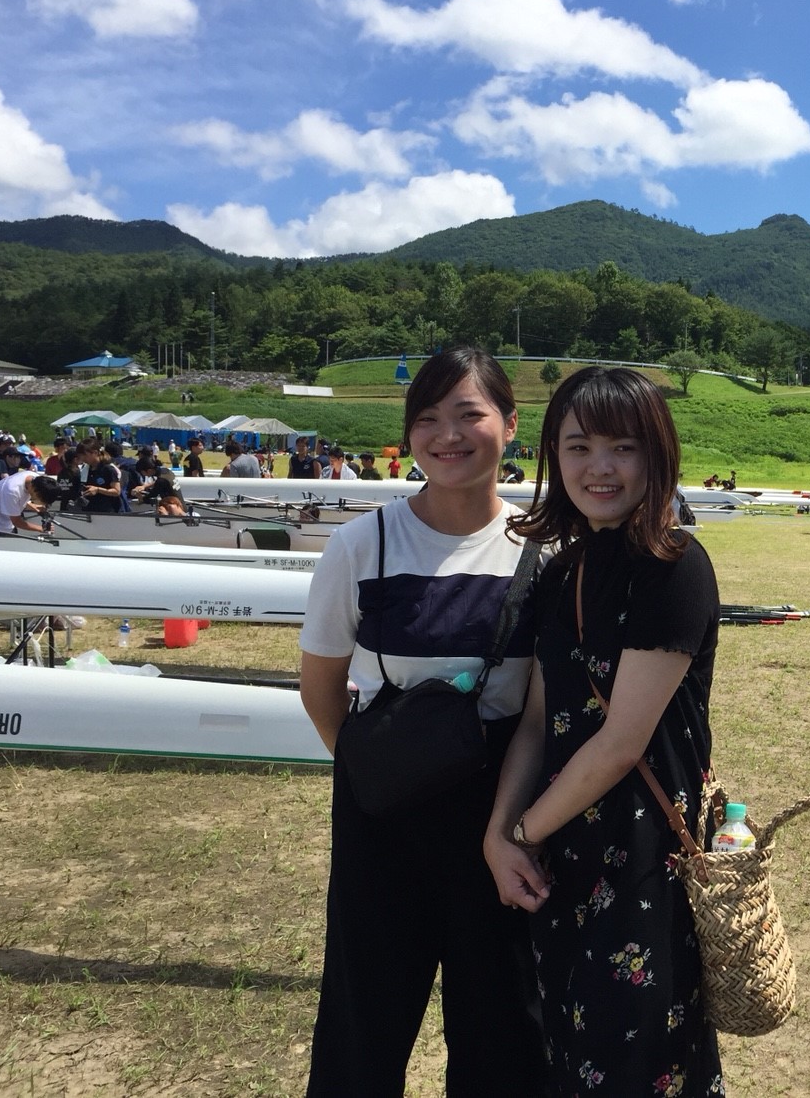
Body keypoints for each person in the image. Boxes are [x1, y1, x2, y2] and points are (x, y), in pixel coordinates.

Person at [298, 345, 547, 1095]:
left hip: (502, 807)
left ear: (510, 423)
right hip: (383, 810)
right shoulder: (362, 544)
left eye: (469, 414)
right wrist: (378, 772)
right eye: (427, 418)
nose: (448, 435)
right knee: (364, 1017)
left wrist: (508, 825)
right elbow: (320, 686)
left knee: (501, 1022)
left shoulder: (543, 549)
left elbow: (540, 710)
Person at [486, 366, 724, 1096]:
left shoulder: (674, 567)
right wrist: (501, 836)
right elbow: (536, 721)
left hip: (643, 858)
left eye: (623, 447)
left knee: (641, 1063)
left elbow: (621, 745)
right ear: (553, 456)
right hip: (562, 855)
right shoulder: (562, 571)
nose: (600, 467)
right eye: (579, 447)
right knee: (567, 1052)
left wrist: (523, 833)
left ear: (657, 455)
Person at [0, 467, 61, 535]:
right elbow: (17, 521)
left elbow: (17, 500)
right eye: (39, 500)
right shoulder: (12, 490)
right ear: (36, 491)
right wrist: (42, 529)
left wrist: (33, 507)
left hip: (8, 525)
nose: (35, 501)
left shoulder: (34, 478)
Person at [81, 440, 124, 513]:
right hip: (89, 510)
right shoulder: (85, 468)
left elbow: (117, 491)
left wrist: (98, 490)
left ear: (95, 453)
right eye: (81, 456)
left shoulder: (108, 469)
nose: (83, 458)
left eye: (85, 455)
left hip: (107, 511)